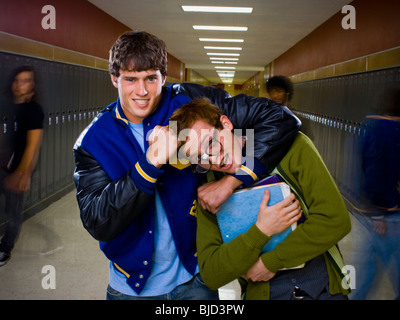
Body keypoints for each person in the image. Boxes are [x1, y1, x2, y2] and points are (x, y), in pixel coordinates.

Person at [72, 30, 301, 300]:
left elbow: (280, 120)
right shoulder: (93, 141)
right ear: (114, 79)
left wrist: (232, 181)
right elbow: (99, 222)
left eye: (151, 79)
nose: (142, 91)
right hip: (130, 288)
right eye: (130, 79)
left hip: (195, 276)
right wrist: (150, 163)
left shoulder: (191, 102)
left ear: (164, 77)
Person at [169, 98, 352, 300]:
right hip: (265, 293)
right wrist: (261, 231)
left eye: (211, 143)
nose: (213, 159)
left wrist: (271, 262)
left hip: (323, 287)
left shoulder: (293, 147)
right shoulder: (209, 192)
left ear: (226, 124)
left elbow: (335, 221)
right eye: (200, 158)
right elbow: (212, 273)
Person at [348, 87, 400, 300]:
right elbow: (376, 171)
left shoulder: (370, 125)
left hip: (368, 209)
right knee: (365, 271)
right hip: (383, 213)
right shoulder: (385, 129)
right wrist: (379, 211)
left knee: (363, 269)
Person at [0, 66, 44, 266]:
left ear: (32, 85)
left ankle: (5, 248)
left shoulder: (33, 110)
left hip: (18, 170)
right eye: (18, 80)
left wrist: (22, 174)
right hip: (2, 168)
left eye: (26, 80)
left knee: (13, 213)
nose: (20, 84)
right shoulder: (7, 106)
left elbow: (33, 145)